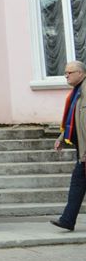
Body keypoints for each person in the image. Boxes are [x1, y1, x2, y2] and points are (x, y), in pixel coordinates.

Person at [53, 61, 86, 231]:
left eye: (69, 72)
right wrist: (61, 137)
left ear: (81, 73)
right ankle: (67, 220)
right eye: (65, 72)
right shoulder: (76, 92)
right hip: (82, 148)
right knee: (78, 183)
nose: (66, 75)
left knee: (78, 182)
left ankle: (67, 219)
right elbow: (72, 120)